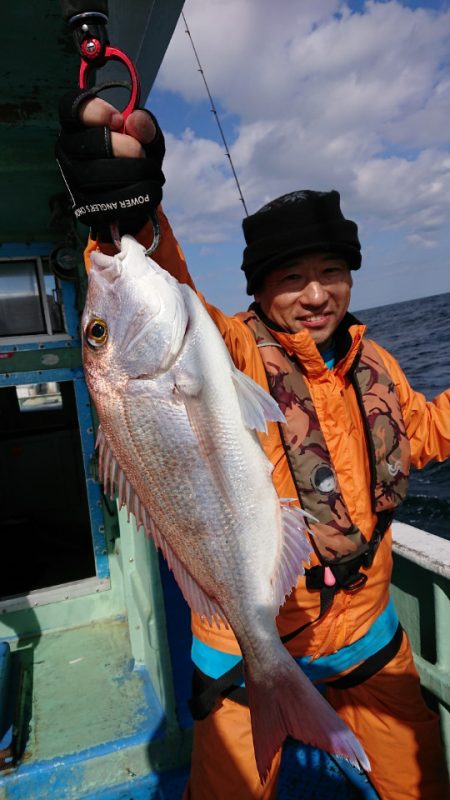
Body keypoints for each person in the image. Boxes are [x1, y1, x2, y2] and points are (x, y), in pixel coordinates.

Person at [56, 95, 450, 800]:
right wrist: (128, 215)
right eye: (290, 278)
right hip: (242, 643)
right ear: (259, 290)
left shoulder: (377, 364)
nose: (315, 293)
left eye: (331, 271)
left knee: (422, 782)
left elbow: (422, 433)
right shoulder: (228, 350)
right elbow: (163, 289)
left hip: (366, 634)